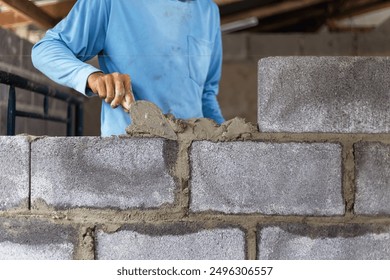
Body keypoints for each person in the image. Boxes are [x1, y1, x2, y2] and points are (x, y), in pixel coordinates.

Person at [32, 0, 225, 136]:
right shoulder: (111, 3)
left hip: (193, 151)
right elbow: (45, 49)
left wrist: (225, 140)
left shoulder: (209, 11)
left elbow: (206, 94)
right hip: (129, 153)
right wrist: (94, 77)